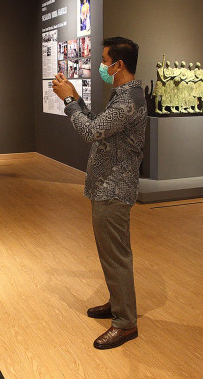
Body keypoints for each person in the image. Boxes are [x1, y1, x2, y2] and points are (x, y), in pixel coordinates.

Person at [52, 37, 146, 350]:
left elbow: (91, 132)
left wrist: (68, 103)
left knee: (116, 255)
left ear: (118, 65)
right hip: (107, 185)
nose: (101, 66)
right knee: (110, 252)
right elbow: (100, 126)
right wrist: (76, 99)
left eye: (105, 61)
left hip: (114, 187)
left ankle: (124, 322)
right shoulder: (122, 95)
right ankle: (117, 302)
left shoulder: (127, 99)